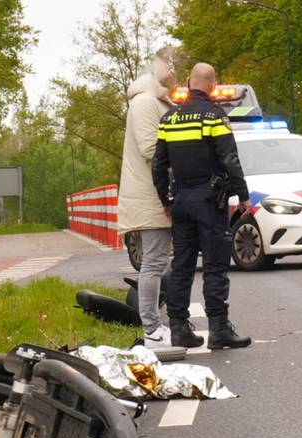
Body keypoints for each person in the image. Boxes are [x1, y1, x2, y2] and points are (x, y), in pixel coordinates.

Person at [152, 63, 253, 349]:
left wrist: (166, 200)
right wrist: (244, 196)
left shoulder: (169, 119)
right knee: (215, 264)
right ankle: (219, 329)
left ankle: (179, 326)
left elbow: (159, 164)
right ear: (212, 84)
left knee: (182, 265)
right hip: (209, 201)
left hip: (182, 200)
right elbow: (230, 159)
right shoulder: (213, 116)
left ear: (188, 83)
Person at [120, 49, 178, 350]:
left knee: (157, 260)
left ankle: (157, 325)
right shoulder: (145, 103)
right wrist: (183, 156)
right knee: (154, 262)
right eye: (170, 65)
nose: (174, 70)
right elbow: (149, 147)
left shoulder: (154, 100)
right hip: (148, 194)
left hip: (154, 192)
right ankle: (152, 329)